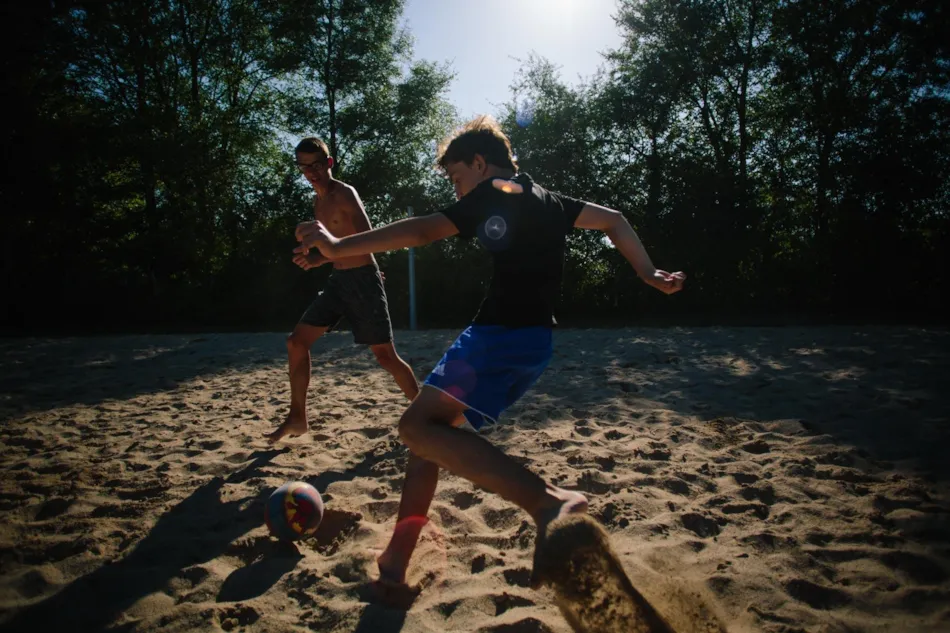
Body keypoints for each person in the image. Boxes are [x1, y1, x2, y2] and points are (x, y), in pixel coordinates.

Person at [295, 116, 685, 597]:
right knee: (431, 437)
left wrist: (336, 247)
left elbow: (421, 232)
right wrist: (648, 273)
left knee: (415, 429)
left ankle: (547, 501)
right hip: (532, 342)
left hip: (497, 334)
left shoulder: (495, 189)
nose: (458, 192)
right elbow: (614, 221)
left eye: (457, 178)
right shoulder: (548, 199)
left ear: (480, 163)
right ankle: (395, 561)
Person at [266, 137, 419, 444]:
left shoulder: (345, 193)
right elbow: (336, 249)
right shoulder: (318, 202)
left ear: (329, 163)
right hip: (338, 282)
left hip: (362, 280)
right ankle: (298, 418)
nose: (311, 171)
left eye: (317, 164)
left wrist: (364, 268)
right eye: (304, 166)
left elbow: (368, 239)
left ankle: (425, 414)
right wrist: (316, 259)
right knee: (296, 342)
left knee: (386, 357)